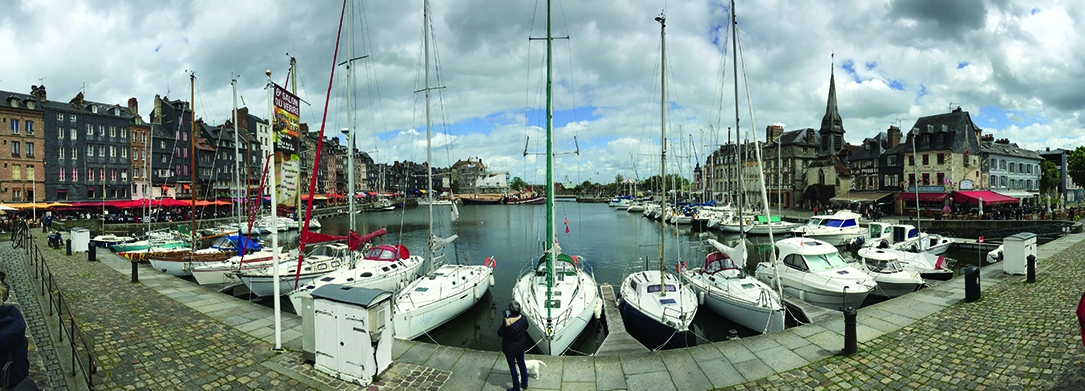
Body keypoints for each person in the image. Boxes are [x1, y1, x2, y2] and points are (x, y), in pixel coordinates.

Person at [497, 301, 528, 391]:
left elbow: (500, 333)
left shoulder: (507, 322)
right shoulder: (524, 319)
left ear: (510, 311)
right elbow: (526, 327)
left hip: (510, 348)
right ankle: (525, 383)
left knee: (512, 367)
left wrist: (506, 320)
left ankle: (516, 388)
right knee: (522, 363)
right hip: (520, 345)